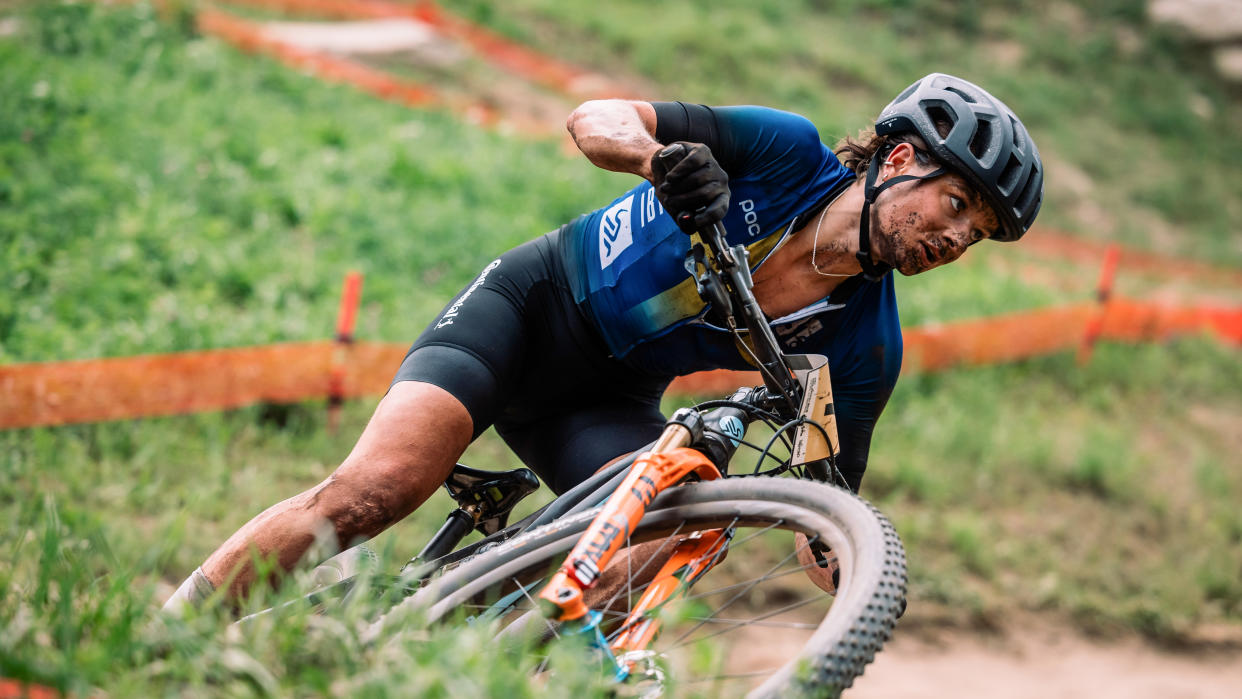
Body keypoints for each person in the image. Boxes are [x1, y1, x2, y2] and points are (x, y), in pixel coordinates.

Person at [164, 73, 1043, 611]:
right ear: (896, 161)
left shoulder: (865, 344)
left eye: (978, 233)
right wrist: (654, 160)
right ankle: (169, 635)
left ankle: (470, 635)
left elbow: (833, 520)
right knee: (376, 488)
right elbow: (597, 117)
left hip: (600, 403)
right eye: (958, 204)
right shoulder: (783, 152)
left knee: (673, 536)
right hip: (526, 311)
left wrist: (857, 575)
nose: (956, 238)